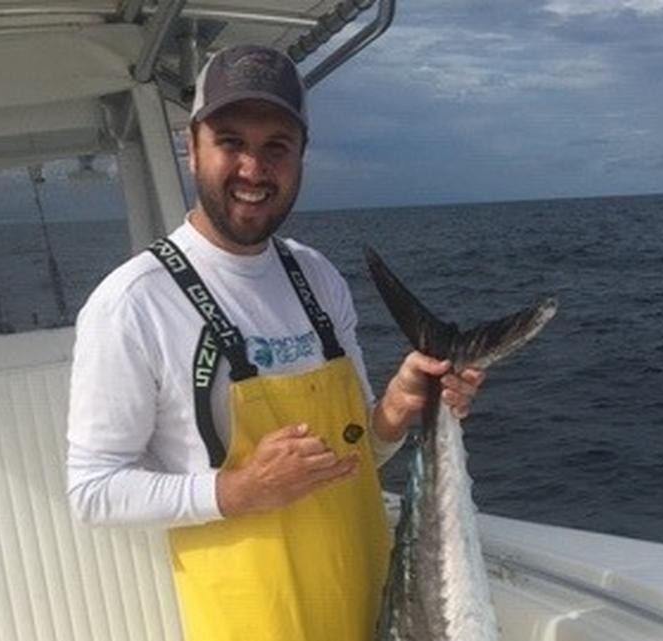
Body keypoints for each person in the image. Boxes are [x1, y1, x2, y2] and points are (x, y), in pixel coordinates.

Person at [65, 44, 485, 641]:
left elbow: (354, 455)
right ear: (193, 148)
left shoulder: (316, 278)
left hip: (378, 612)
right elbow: (92, 490)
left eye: (276, 148)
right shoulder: (134, 303)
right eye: (231, 142)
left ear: (301, 158)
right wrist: (238, 489)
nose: (254, 170)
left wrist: (396, 409)